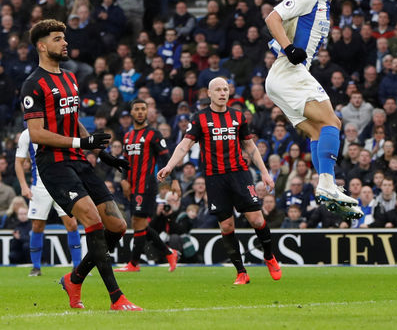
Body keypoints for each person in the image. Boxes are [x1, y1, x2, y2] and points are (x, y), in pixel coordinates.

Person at [20, 19, 140, 310]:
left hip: (78, 160)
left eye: (65, 38)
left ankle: (74, 279)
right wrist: (79, 144)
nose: (65, 43)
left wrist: (103, 153)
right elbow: (36, 134)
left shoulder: (70, 78)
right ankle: (116, 297)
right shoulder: (33, 83)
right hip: (54, 164)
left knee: (118, 225)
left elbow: (75, 125)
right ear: (42, 45)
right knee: (93, 220)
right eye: (58, 39)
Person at [265, 0, 363, 220]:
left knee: (319, 130)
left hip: (284, 76)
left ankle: (326, 185)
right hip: (288, 71)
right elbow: (272, 18)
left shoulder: (324, 5)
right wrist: (289, 48)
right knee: (333, 121)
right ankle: (327, 184)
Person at [158, 77, 280, 282]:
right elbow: (184, 146)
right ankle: (241, 272)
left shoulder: (238, 116)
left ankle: (269, 256)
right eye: (218, 89)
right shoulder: (199, 118)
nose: (223, 93)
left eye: (225, 89)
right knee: (226, 227)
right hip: (215, 178)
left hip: (239, 174)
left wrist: (265, 173)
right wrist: (170, 166)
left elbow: (250, 146)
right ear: (209, 93)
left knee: (257, 219)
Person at [114, 98, 180, 273]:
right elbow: (125, 161)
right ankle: (168, 252)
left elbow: (166, 158)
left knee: (138, 221)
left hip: (147, 185)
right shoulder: (127, 136)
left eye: (144, 109)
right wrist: (123, 179)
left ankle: (134, 263)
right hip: (132, 185)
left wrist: (173, 180)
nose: (141, 112)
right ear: (132, 113)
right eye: (137, 109)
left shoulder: (154, 134)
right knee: (139, 222)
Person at [14, 126, 83, 276]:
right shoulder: (27, 134)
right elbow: (18, 162)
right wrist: (24, 186)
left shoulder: (58, 129)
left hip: (62, 185)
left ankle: (78, 267)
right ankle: (36, 267)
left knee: (72, 224)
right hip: (40, 186)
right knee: (37, 225)